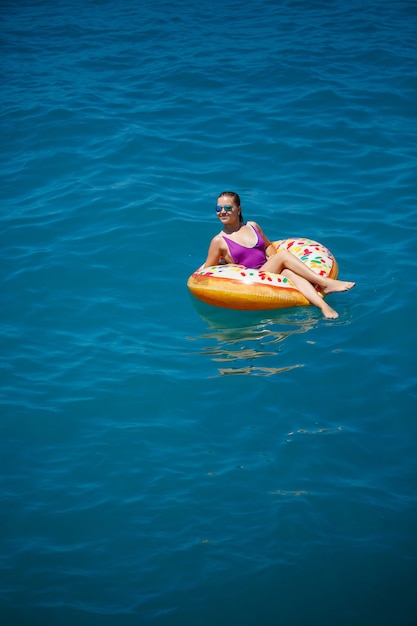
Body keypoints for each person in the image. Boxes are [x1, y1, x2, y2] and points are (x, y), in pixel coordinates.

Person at [203, 191, 355, 319]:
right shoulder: (219, 240)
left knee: (288, 271)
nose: (222, 211)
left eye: (227, 207)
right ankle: (325, 282)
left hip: (269, 270)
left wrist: (273, 258)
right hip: (252, 277)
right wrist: (230, 266)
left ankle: (323, 306)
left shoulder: (253, 226)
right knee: (283, 256)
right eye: (218, 208)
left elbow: (269, 246)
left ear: (238, 209)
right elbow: (209, 269)